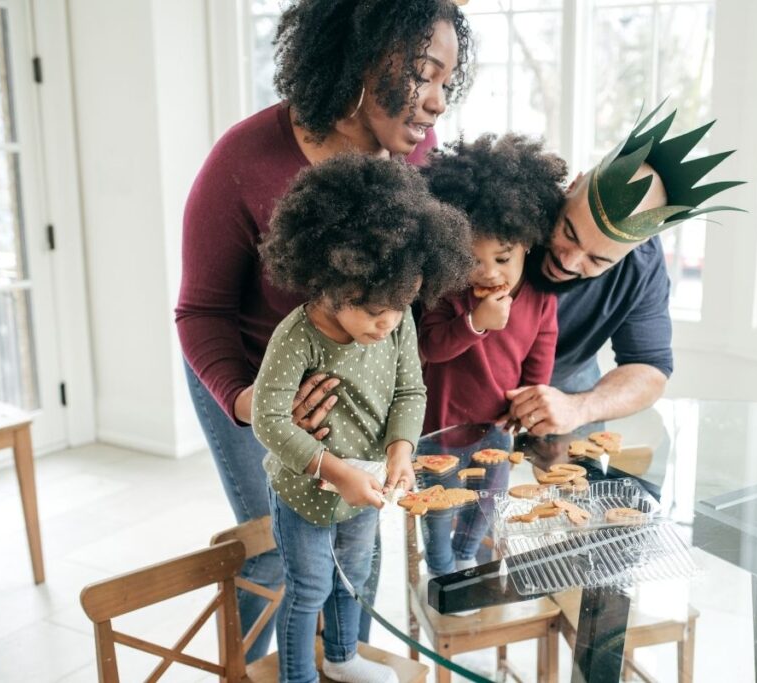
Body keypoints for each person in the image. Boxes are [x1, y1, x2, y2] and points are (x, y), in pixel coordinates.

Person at [174, 0, 472, 658]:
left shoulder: (416, 159)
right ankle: (260, 672)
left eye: (448, 83)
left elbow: (408, 314)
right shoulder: (243, 162)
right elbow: (200, 313)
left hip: (354, 384)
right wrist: (252, 403)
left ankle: (340, 665)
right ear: (359, 54)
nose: (437, 104)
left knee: (355, 550)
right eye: (424, 73)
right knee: (276, 556)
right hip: (250, 381)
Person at [253, 155, 473, 683]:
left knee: (352, 576)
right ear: (331, 280)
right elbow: (268, 421)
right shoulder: (296, 336)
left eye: (402, 304)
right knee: (308, 589)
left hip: (367, 484)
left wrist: (401, 450)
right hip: (306, 491)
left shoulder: (396, 323)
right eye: (374, 307)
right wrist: (335, 473)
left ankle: (343, 657)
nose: (389, 321)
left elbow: (410, 389)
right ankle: (297, 676)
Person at [505, 101, 743, 436]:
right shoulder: (507, 209)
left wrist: (578, 407)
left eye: (597, 260)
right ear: (573, 185)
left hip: (565, 386)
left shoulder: (642, 265)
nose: (568, 262)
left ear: (633, 250)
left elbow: (650, 368)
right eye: (569, 232)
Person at [416, 133, 566, 577]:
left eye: (502, 258)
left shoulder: (540, 299)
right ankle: (442, 572)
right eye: (471, 258)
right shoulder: (448, 291)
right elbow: (429, 347)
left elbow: (539, 363)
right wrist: (475, 323)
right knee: (438, 508)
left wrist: (528, 405)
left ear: (527, 245)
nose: (487, 272)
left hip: (497, 427)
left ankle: (466, 558)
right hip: (438, 426)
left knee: (488, 500)